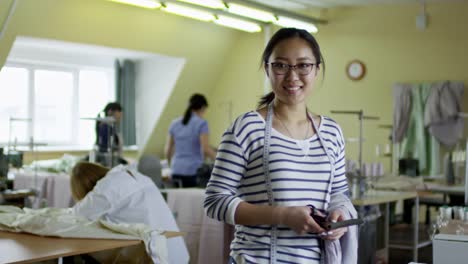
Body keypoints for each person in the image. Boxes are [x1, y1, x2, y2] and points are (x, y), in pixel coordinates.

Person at [204, 28, 358, 263]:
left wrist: (341, 215)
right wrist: (283, 215)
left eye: (303, 65)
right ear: (267, 68)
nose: (292, 76)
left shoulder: (331, 132)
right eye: (281, 65)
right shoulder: (246, 128)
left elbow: (338, 193)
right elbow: (215, 200)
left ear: (317, 69)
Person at [70, 161, 189, 263]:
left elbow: (77, 215)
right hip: (177, 252)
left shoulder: (106, 188)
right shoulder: (132, 174)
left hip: (159, 257)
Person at [164, 93, 216, 187]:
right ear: (202, 108)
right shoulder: (202, 123)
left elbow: (168, 150)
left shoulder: (174, 123)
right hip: (193, 172)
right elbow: (205, 149)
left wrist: (170, 166)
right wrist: (220, 161)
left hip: (176, 171)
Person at [95, 102, 127, 166]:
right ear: (110, 112)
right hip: (108, 161)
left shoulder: (111, 128)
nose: (120, 115)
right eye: (119, 112)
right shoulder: (105, 128)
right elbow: (106, 148)